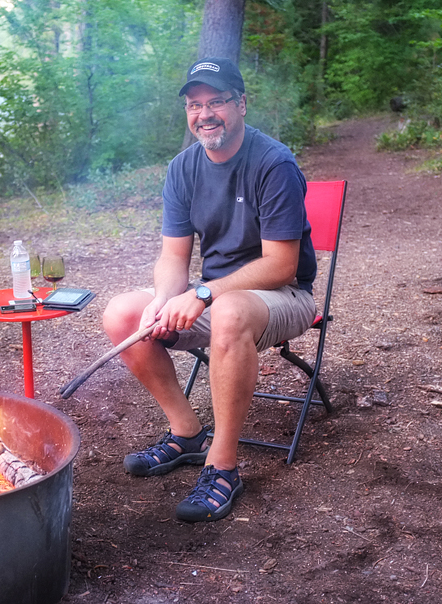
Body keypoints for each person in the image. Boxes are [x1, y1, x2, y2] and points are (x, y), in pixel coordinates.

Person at [102, 57, 317, 523]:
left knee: (230, 312)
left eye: (216, 100)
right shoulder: (182, 168)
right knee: (124, 313)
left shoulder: (273, 162)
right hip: (216, 296)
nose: (205, 113)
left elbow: (281, 266)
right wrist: (163, 299)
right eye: (194, 105)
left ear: (241, 103)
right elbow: (174, 258)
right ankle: (186, 433)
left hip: (285, 296)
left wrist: (203, 294)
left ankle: (223, 465)